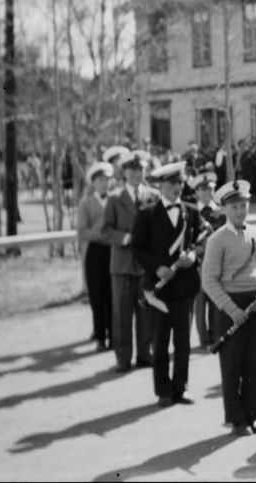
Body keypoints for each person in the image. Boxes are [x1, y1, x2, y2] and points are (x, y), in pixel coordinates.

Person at [201, 180, 256, 436]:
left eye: (244, 205)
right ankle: (236, 419)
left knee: (255, 364)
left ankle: (253, 415)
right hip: (229, 307)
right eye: (235, 207)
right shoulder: (217, 239)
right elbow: (209, 281)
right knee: (232, 365)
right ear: (224, 209)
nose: (240, 211)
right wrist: (232, 310)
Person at [133, 161, 204, 407]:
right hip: (159, 288)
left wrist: (193, 257)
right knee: (160, 342)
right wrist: (157, 267)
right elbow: (138, 248)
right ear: (161, 185)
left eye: (181, 183)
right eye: (173, 183)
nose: (177, 187)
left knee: (183, 342)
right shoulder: (147, 214)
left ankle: (180, 388)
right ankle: (163, 390)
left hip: (184, 286)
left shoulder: (192, 211)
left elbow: (201, 241)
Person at [101, 153, 157, 373]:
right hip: (122, 265)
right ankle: (123, 358)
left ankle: (144, 354)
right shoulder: (114, 198)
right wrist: (123, 238)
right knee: (122, 314)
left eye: (140, 170)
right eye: (132, 171)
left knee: (145, 313)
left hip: (145, 266)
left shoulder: (153, 195)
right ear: (123, 173)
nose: (136, 175)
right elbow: (104, 230)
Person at [77, 162, 114, 352]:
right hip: (96, 252)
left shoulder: (115, 200)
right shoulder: (86, 203)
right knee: (97, 295)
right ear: (94, 183)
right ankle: (100, 337)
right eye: (100, 180)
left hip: (113, 251)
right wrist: (103, 233)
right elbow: (82, 231)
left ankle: (114, 335)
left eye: (107, 180)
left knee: (112, 294)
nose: (104, 184)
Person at [191, 173, 224, 348]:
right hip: (196, 262)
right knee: (200, 300)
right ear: (196, 192)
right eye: (202, 190)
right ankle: (203, 337)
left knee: (215, 299)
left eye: (210, 189)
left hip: (215, 261)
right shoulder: (191, 212)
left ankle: (215, 333)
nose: (206, 193)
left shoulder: (220, 212)